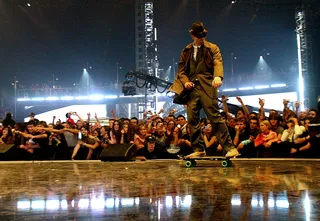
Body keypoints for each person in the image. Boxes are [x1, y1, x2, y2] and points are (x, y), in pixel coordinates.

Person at [169, 21, 239, 158]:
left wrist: (218, 76)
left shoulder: (212, 48)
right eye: (199, 36)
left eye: (203, 36)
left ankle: (230, 147)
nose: (201, 38)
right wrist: (186, 81)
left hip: (208, 85)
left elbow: (218, 61)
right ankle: (198, 149)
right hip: (192, 89)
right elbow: (181, 71)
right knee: (192, 119)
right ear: (193, 36)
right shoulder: (186, 50)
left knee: (214, 116)